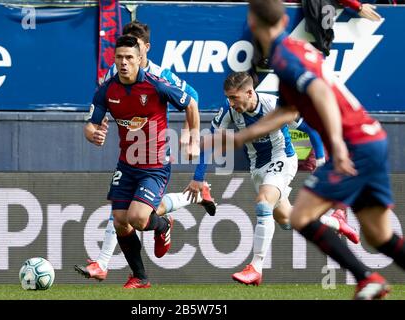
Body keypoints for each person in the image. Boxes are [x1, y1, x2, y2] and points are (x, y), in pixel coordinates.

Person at [210, 0, 404, 299]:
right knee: (379, 235)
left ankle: (366, 278)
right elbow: (288, 112)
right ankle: (368, 278)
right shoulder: (294, 50)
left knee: (299, 217)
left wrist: (336, 144)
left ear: (252, 22)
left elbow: (320, 91)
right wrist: (240, 137)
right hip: (372, 138)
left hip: (354, 145)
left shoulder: (284, 54)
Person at [75, 21, 216, 282]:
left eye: (129, 57)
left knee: (138, 218)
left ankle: (162, 225)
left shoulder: (158, 82)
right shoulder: (108, 87)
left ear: (141, 55)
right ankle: (139, 277)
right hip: (126, 161)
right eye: (119, 57)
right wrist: (92, 132)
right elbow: (91, 122)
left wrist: (192, 135)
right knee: (119, 220)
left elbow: (191, 100)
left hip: (154, 162)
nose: (124, 62)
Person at [186, 71, 358, 286]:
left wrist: (321, 162)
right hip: (257, 168)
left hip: (283, 159)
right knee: (287, 219)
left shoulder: (273, 105)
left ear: (250, 93)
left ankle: (256, 267)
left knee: (263, 202)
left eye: (234, 97)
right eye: (228, 97)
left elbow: (311, 129)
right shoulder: (229, 111)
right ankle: (337, 222)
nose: (230, 102)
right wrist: (198, 177)